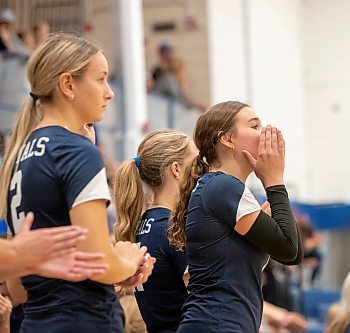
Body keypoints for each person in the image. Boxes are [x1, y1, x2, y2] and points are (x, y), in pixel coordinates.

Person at [0, 33, 154, 332]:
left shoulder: (20, 155)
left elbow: (18, 289)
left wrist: (114, 269)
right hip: (85, 320)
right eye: (101, 79)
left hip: (36, 322)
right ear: (68, 84)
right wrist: (129, 259)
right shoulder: (76, 150)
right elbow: (99, 263)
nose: (109, 93)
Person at [168, 101, 303, 332]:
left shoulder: (223, 188)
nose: (264, 134)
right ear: (227, 139)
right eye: (255, 126)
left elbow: (293, 251)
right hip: (217, 324)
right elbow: (289, 250)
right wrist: (274, 181)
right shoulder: (223, 186)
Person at [114, 129, 197, 333]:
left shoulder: (143, 224)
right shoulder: (172, 227)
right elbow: (206, 298)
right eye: (196, 164)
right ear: (176, 169)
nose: (202, 172)